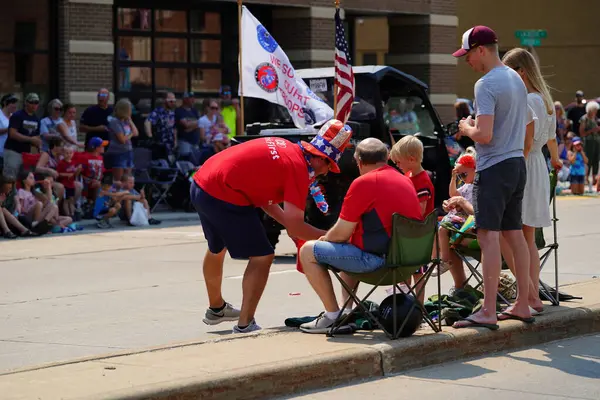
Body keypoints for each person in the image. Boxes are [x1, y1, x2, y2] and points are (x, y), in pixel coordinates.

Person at [191, 119, 352, 333]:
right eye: (329, 166)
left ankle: (217, 308)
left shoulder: (287, 148)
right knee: (263, 256)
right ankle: (245, 324)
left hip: (202, 184)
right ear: (320, 158)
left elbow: (266, 200)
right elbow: (296, 226)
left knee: (216, 248)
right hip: (224, 193)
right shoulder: (298, 169)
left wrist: (296, 228)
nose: (326, 172)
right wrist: (334, 237)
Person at [452, 26, 534, 329]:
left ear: (481, 49)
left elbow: (484, 136)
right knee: (515, 235)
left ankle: (488, 310)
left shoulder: (485, 84)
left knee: (488, 237)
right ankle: (523, 303)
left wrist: (466, 128)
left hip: (495, 166)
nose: (467, 61)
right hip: (516, 164)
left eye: (468, 55)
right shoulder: (516, 78)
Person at [298, 138, 422, 333]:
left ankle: (332, 317)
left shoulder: (364, 182)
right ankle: (346, 311)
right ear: (387, 157)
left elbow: (340, 232)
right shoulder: (405, 180)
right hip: (410, 263)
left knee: (307, 250)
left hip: (380, 264)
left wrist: (324, 240)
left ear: (359, 161)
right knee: (349, 245)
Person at [501, 48, 563, 315]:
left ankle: (528, 292)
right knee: (527, 237)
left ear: (521, 72)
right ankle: (533, 292)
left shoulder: (528, 100)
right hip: (538, 164)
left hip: (526, 164)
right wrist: (556, 160)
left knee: (510, 234)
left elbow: (526, 142)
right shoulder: (545, 100)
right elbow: (551, 139)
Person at [389, 135, 435, 304]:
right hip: (409, 233)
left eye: (399, 162)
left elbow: (420, 210)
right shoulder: (409, 176)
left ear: (412, 159)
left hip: (417, 234)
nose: (397, 165)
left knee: (417, 273)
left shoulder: (421, 181)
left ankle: (418, 306)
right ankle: (404, 303)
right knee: (404, 272)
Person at [434, 153, 476, 283]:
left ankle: (444, 260)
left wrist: (461, 202)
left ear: (475, 170)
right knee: (436, 229)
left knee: (443, 230)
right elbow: (453, 194)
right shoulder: (466, 186)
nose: (462, 178)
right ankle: (436, 260)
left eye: (464, 174)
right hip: (461, 221)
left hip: (471, 225)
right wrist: (453, 178)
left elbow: (476, 212)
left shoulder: (480, 187)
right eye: (460, 176)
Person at [3, 93, 42, 179]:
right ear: (26, 103)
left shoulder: (36, 119)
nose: (34, 105)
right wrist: (30, 139)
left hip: (27, 155)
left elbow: (37, 137)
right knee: (10, 179)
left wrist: (38, 147)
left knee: (26, 180)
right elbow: (12, 134)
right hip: (13, 152)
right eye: (32, 102)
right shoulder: (17, 115)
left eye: (36, 102)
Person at [105, 99, 138, 182]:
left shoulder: (126, 121)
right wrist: (130, 134)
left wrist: (130, 121)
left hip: (128, 151)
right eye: (129, 109)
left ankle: (126, 194)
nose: (131, 111)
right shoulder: (114, 122)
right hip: (118, 153)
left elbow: (136, 133)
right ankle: (116, 194)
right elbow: (122, 139)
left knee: (127, 180)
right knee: (118, 181)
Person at [145, 92, 177, 160]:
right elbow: (147, 122)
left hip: (170, 146)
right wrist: (150, 136)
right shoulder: (158, 112)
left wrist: (175, 141)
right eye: (170, 101)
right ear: (164, 100)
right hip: (160, 146)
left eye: (174, 101)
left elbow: (174, 128)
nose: (173, 103)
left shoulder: (172, 113)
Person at [79, 137, 107, 208]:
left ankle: (99, 205)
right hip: (86, 182)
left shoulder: (101, 157)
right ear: (95, 148)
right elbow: (80, 173)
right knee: (97, 184)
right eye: (101, 146)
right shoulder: (85, 157)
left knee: (108, 185)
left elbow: (102, 172)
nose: (103, 147)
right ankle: (95, 205)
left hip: (97, 181)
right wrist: (90, 180)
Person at [578, 101, 600, 189]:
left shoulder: (595, 118)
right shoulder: (584, 119)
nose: (596, 111)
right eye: (594, 110)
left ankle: (594, 178)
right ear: (590, 109)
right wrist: (593, 130)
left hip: (596, 142)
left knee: (596, 160)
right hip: (588, 143)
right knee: (588, 160)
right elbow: (582, 133)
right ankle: (586, 178)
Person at [175, 92, 202, 160]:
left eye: (193, 98)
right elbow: (186, 125)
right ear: (185, 99)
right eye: (190, 98)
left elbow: (200, 123)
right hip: (184, 141)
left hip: (195, 142)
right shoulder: (179, 111)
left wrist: (190, 127)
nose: (193, 100)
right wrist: (194, 124)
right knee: (185, 160)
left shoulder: (194, 111)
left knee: (196, 161)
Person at [56, 146, 83, 218]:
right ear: (63, 154)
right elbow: (58, 174)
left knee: (71, 199)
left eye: (70, 153)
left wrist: (78, 170)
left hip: (71, 184)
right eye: (66, 153)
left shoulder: (74, 162)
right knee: (66, 200)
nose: (69, 155)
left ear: (73, 154)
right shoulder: (61, 163)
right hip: (65, 184)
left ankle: (72, 214)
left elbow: (75, 175)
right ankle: (67, 214)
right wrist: (67, 174)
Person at [0, 94, 19, 171]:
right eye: (12, 103)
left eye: (15, 103)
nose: (15, 105)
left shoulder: (14, 117)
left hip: (11, 154)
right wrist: (10, 129)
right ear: (5, 103)